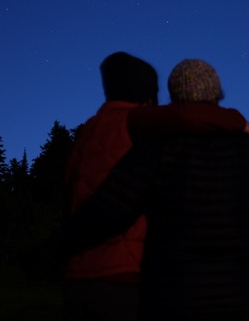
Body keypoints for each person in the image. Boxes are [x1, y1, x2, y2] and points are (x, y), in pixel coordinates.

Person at [63, 59, 249, 320]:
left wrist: (64, 240)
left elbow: (113, 207)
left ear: (174, 96)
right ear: (216, 93)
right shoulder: (246, 150)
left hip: (174, 293)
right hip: (241, 290)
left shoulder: (158, 146)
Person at [63, 51, 159, 321]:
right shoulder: (142, 126)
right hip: (126, 275)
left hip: (77, 275)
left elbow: (69, 189)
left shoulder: (88, 132)